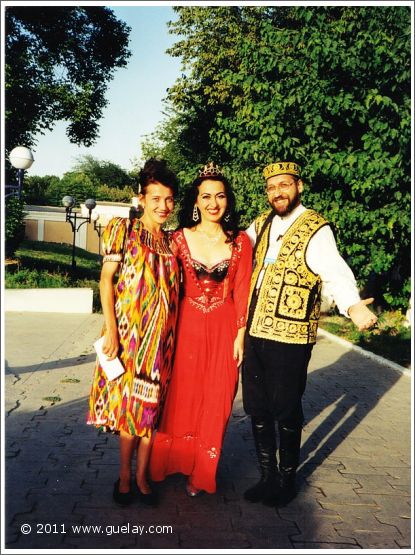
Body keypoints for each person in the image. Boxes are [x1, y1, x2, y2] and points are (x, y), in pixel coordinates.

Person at [243, 160, 378, 508]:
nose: (278, 192)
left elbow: (335, 273)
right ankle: (267, 475)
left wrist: (353, 307)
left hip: (290, 335)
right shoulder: (260, 224)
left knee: (285, 408)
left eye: (284, 185)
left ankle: (287, 480)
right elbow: (233, 254)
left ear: (298, 186)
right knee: (257, 406)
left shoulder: (315, 227)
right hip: (254, 331)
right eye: (272, 187)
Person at [149, 162, 252, 496]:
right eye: (205, 196)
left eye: (220, 196)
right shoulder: (177, 239)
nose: (213, 203)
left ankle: (202, 473)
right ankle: (167, 464)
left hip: (224, 329)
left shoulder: (240, 243)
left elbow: (242, 289)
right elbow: (160, 283)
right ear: (195, 202)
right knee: (180, 396)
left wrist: (240, 335)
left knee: (218, 397)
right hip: (184, 328)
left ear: (228, 200)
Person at [87, 158, 180, 506]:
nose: (163, 206)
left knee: (150, 411)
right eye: (155, 198)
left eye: (169, 200)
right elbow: (106, 281)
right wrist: (111, 331)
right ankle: (125, 476)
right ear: (141, 198)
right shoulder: (122, 231)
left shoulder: (172, 243)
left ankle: (142, 477)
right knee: (130, 411)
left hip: (161, 344)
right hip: (129, 338)